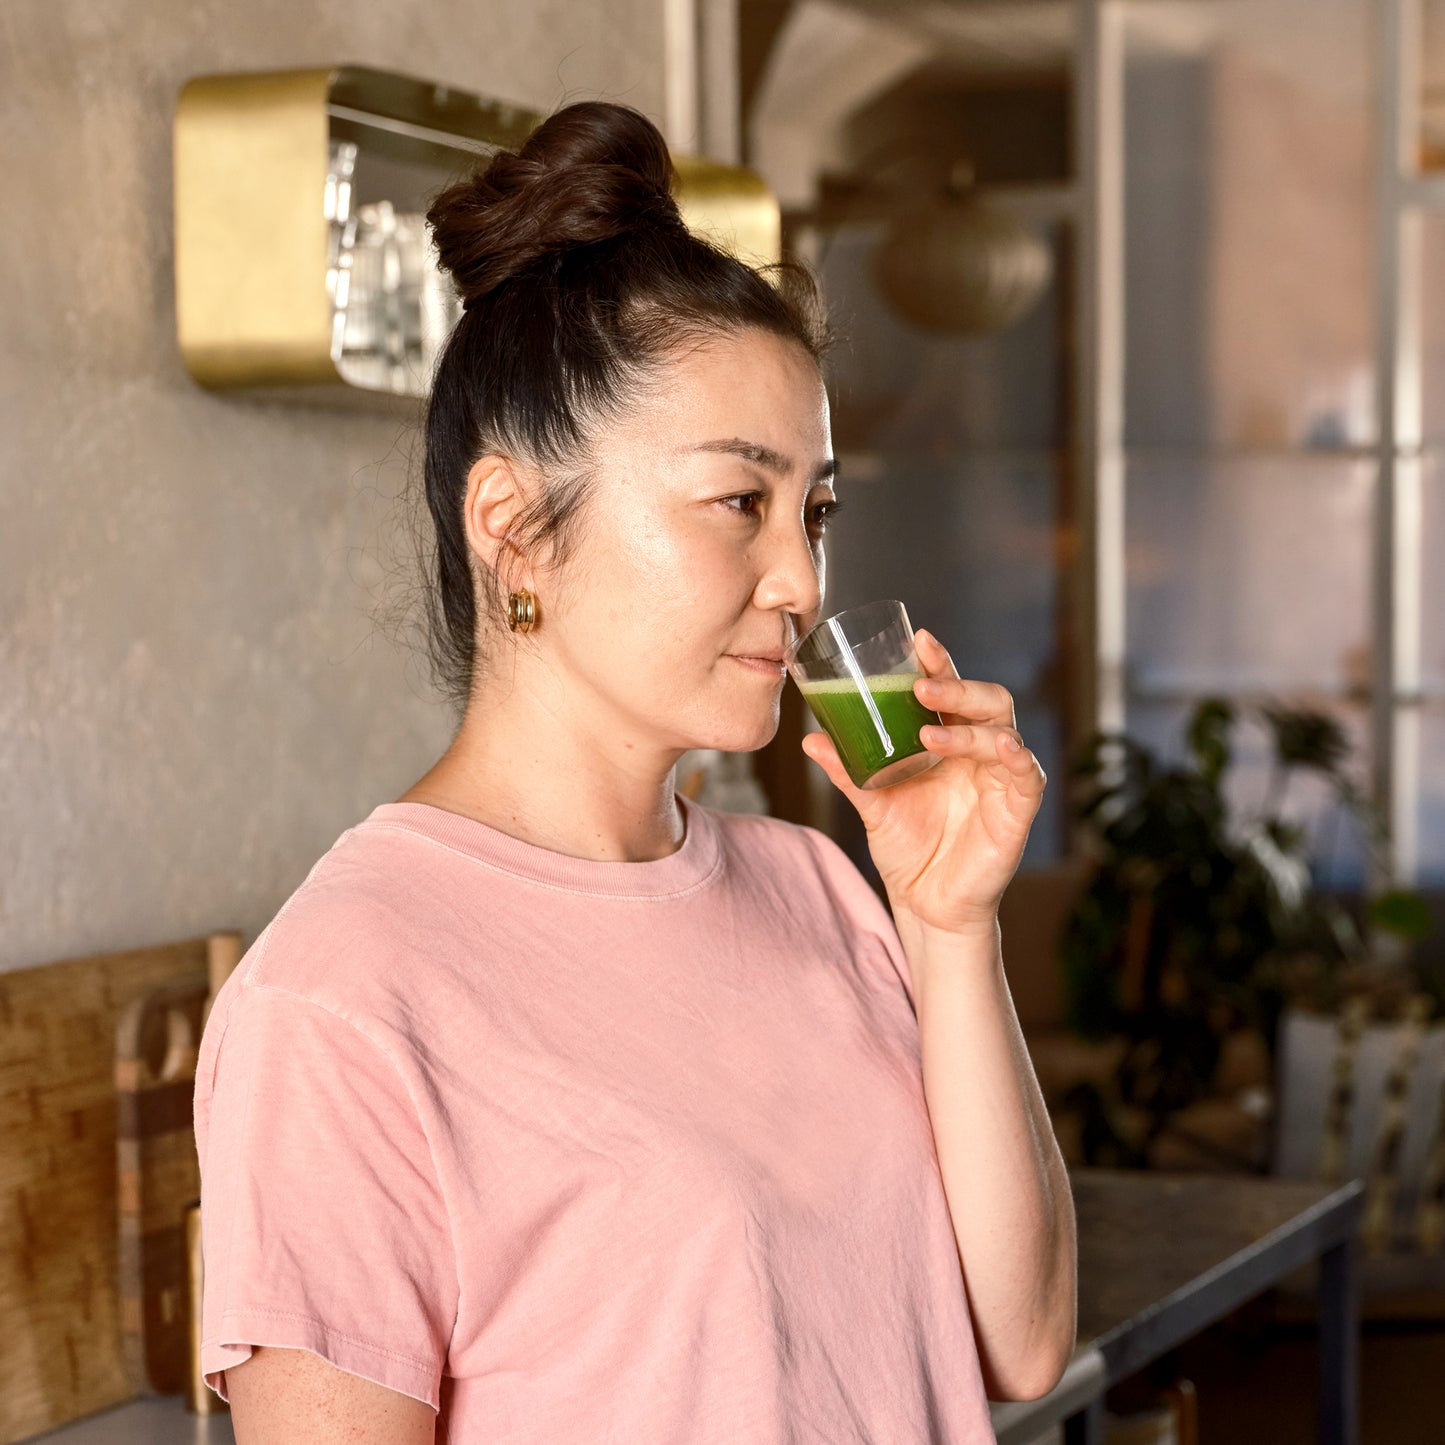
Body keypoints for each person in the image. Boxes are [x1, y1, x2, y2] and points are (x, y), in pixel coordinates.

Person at [192, 99, 1076, 1445]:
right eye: (740, 501)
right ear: (514, 529)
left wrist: (948, 928)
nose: (798, 578)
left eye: (814, 511)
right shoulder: (340, 1003)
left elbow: (1018, 1338)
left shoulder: (821, 891)